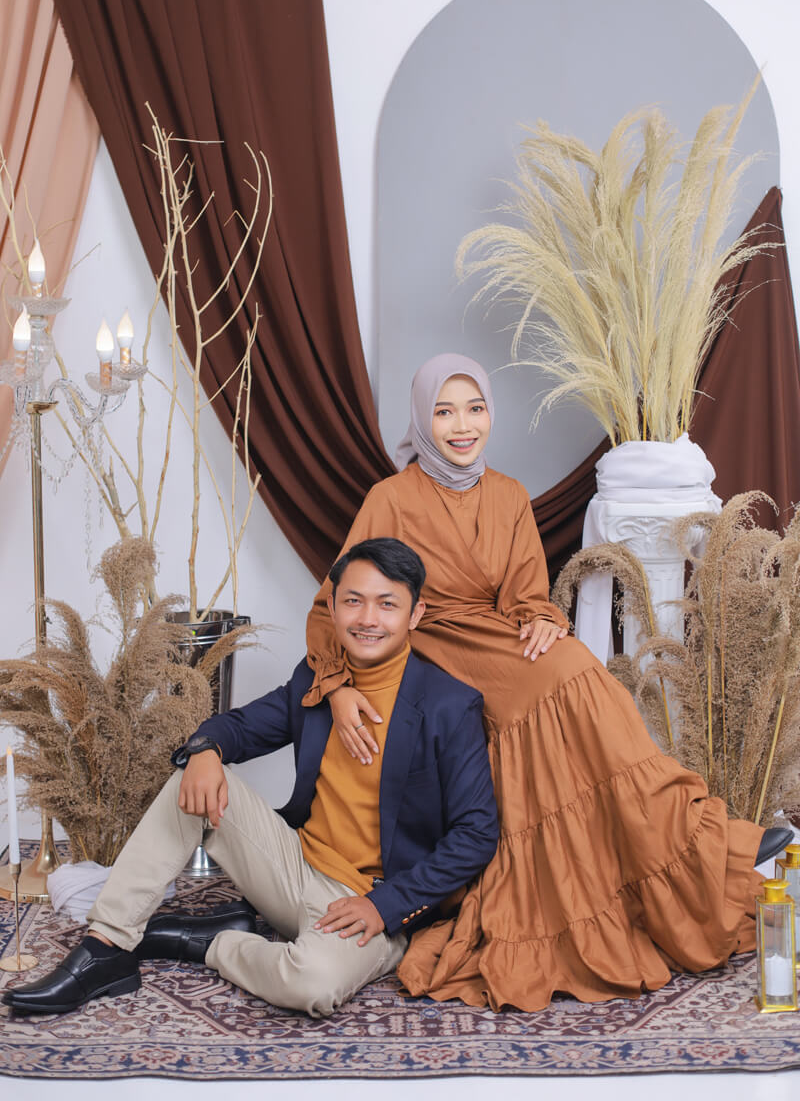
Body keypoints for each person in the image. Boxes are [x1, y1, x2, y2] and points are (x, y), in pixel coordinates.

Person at [303, 353, 790, 1013]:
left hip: (494, 635)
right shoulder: (389, 499)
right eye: (444, 412)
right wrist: (338, 686)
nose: (462, 425)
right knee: (562, 679)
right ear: (422, 419)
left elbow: (526, 592)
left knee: (576, 665)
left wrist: (537, 618)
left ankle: (689, 832)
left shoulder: (507, 494)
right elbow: (330, 603)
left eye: (475, 409)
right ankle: (704, 836)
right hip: (429, 642)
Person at [2, 537, 498, 1019]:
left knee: (312, 984)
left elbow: (476, 834)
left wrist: (385, 905)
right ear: (333, 607)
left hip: (373, 901)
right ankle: (105, 947)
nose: (368, 618)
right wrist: (205, 750)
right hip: (293, 867)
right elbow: (239, 727)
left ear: (415, 614)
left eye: (387, 604)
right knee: (191, 779)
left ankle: (210, 941)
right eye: (354, 601)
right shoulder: (316, 681)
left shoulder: (450, 706)